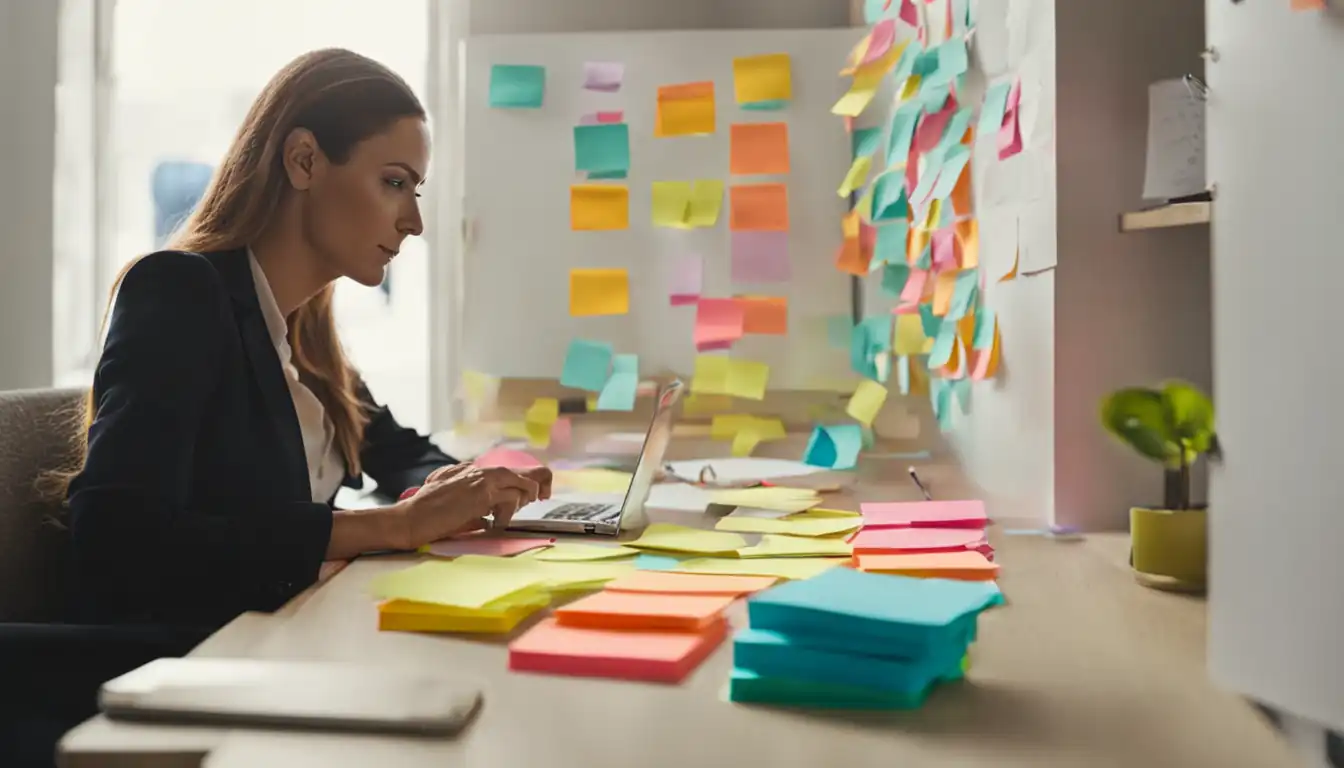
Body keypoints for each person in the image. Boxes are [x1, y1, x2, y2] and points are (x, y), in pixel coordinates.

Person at [5, 49, 550, 767]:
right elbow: (118, 538)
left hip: (286, 644)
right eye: (394, 183)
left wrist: (456, 489)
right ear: (302, 160)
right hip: (192, 671)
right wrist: (387, 525)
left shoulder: (304, 334)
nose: (413, 222)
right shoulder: (179, 292)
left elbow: (399, 449)